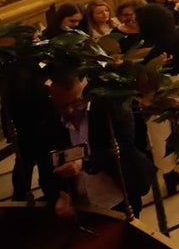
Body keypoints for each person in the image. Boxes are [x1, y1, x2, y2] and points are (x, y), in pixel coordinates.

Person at [32, 73, 154, 218]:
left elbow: (124, 146)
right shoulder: (51, 120)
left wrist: (84, 163)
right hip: (81, 207)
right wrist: (58, 196)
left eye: (75, 103)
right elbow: (46, 166)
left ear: (85, 89)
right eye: (62, 106)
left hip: (118, 198)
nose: (69, 110)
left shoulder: (109, 108)